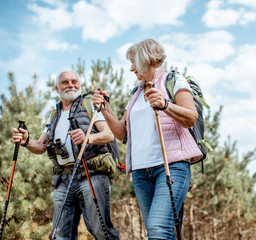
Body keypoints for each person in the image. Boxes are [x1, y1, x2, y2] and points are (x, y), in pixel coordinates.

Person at [92, 39, 203, 240]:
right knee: (156, 231)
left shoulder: (174, 79)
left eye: (133, 62)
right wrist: (106, 110)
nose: (131, 68)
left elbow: (191, 117)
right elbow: (123, 133)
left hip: (171, 166)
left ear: (146, 59)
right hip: (141, 171)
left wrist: (165, 105)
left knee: (159, 228)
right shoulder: (136, 93)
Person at [12, 70, 120, 240]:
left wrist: (87, 138)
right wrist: (26, 142)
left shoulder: (90, 105)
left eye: (74, 81)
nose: (70, 85)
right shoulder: (54, 114)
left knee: (100, 231)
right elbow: (41, 146)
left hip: (91, 175)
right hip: (63, 179)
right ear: (57, 88)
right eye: (65, 82)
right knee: (61, 234)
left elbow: (109, 134)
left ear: (80, 84)